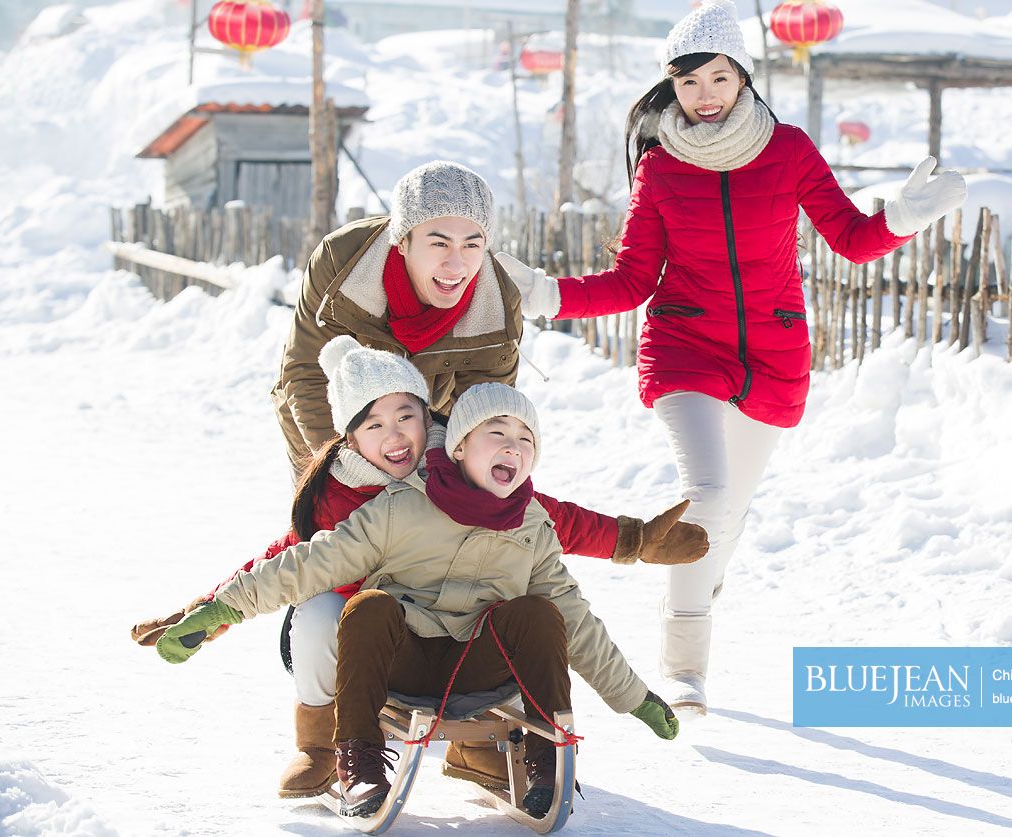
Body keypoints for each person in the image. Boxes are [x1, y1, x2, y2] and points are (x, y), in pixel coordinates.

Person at [492, 0, 967, 713]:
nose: (704, 94)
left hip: (773, 352)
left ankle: (698, 572)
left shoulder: (789, 150)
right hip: (685, 348)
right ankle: (685, 663)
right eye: (688, 83)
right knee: (707, 494)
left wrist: (901, 218)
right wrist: (546, 293)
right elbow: (630, 280)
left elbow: (847, 237)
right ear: (671, 88)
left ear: (743, 77)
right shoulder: (659, 168)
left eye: (717, 78)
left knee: (728, 514)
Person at [131, 339, 707, 798]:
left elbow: (565, 553)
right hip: (379, 642)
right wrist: (209, 611)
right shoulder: (348, 500)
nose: (395, 435)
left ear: (431, 419)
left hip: (469, 649)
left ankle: (492, 747)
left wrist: (635, 541)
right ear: (350, 436)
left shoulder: (484, 476)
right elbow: (294, 561)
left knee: (532, 612)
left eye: (406, 415)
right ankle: (327, 746)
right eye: (373, 425)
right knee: (326, 605)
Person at [274, 160, 520, 481]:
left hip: (428, 435)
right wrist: (339, 471)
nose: (456, 264)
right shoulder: (343, 263)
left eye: (471, 245)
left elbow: (480, 419)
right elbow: (307, 374)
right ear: (402, 241)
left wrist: (434, 479)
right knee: (332, 526)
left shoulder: (496, 305)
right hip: (327, 431)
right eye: (439, 243)